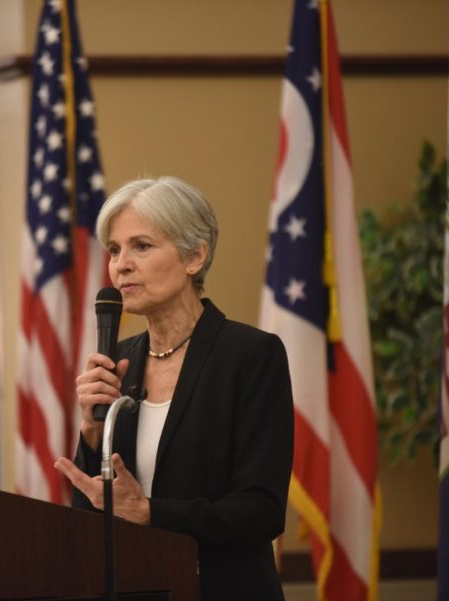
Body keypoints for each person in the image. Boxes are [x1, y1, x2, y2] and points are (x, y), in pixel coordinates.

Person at [54, 176, 294, 600]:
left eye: (141, 246)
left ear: (194, 257)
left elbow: (262, 511)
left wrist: (150, 513)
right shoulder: (119, 361)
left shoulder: (250, 354)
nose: (120, 264)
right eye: (114, 250)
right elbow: (91, 515)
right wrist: (91, 437)